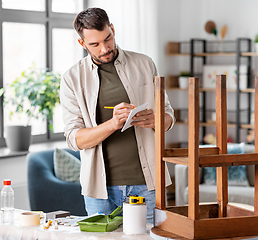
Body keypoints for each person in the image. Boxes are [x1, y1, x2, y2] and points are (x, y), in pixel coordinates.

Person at [60, 7, 175, 223]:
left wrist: (156, 120)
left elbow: (168, 115)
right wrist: (113, 124)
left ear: (112, 29)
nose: (105, 48)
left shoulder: (145, 63)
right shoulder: (71, 79)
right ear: (82, 44)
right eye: (94, 44)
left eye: (108, 38)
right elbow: (74, 139)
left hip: (147, 185)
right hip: (98, 190)